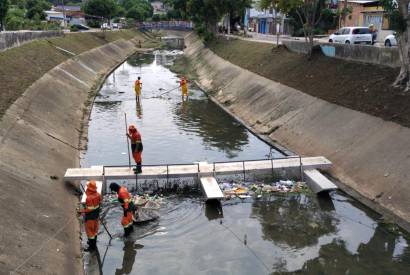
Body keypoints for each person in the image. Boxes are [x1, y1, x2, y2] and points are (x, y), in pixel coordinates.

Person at [79, 181, 101, 252]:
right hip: (96, 216)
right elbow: (98, 204)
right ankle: (93, 243)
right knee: (95, 231)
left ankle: (91, 247)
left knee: (90, 232)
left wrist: (82, 211)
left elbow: (89, 209)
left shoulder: (88, 198)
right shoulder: (98, 194)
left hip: (90, 218)